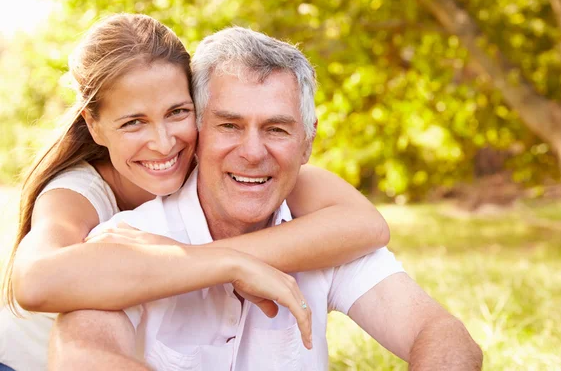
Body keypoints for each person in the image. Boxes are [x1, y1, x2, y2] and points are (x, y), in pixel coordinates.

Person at [49, 26, 483, 370]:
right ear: (197, 134)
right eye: (229, 126)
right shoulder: (128, 241)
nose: (253, 152)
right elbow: (84, 358)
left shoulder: (325, 236)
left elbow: (440, 332)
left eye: (276, 129)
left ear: (308, 143)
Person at [0, 14, 391, 371]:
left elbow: (365, 224)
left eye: (177, 112)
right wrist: (227, 265)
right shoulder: (76, 193)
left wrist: (198, 256)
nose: (163, 143)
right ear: (96, 125)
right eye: (134, 122)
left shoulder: (221, 165)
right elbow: (34, 282)